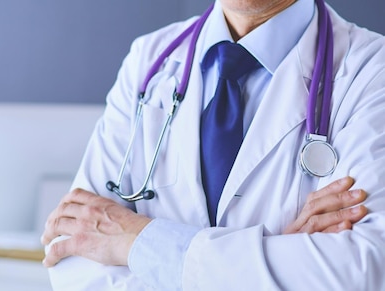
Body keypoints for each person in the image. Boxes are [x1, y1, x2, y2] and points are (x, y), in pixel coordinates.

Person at [41, 0, 385, 290]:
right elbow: (75, 253)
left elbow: (362, 269)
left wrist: (136, 240)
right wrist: (273, 257)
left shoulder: (372, 72)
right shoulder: (148, 60)